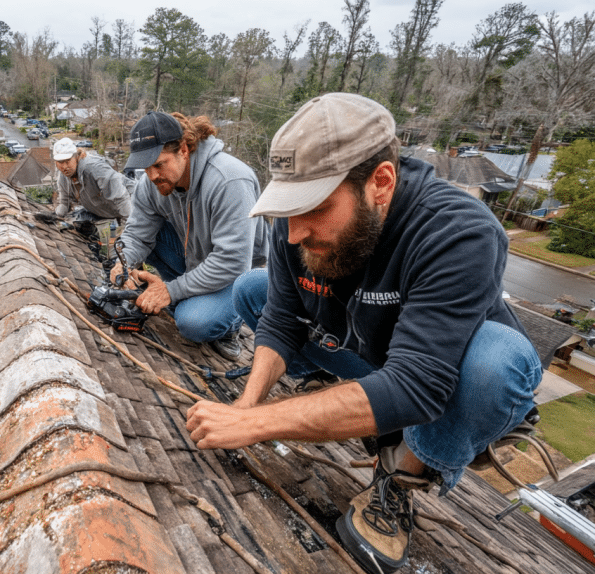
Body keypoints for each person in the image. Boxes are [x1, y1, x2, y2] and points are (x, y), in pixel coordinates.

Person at [184, 93, 542, 574]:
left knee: (494, 364)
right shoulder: (299, 229)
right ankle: (355, 399)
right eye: (287, 208)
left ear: (381, 182)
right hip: (370, 354)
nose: (293, 233)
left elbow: (418, 384)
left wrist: (256, 425)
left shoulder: (457, 231)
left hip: (445, 379)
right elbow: (281, 319)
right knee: (253, 288)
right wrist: (247, 405)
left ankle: (402, 476)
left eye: (312, 207)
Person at [111, 111, 269, 360]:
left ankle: (231, 324)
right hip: (192, 257)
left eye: (159, 164)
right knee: (141, 244)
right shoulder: (151, 184)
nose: (152, 176)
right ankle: (185, 295)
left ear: (183, 150)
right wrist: (122, 263)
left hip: (234, 274)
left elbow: (232, 262)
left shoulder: (230, 180)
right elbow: (136, 235)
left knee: (193, 323)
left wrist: (169, 292)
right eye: (146, 167)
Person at [52, 137, 135, 225]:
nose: (64, 167)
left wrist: (131, 225)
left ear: (76, 156)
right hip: (108, 213)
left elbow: (121, 198)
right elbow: (65, 203)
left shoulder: (94, 168)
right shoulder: (63, 177)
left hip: (133, 205)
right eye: (60, 162)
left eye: (68, 161)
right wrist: (55, 216)